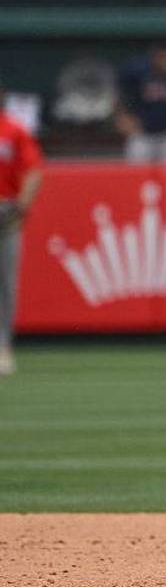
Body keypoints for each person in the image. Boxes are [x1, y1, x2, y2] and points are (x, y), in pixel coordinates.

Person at [0, 79, 44, 376]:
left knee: (5, 283)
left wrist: (23, 205)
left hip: (5, 211)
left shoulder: (14, 130)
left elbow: (33, 170)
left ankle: (3, 346)